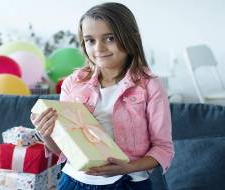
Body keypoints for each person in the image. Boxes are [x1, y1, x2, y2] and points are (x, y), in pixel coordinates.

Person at [31, 2, 174, 190]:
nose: (98, 48)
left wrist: (128, 167)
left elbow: (163, 149)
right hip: (73, 182)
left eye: (109, 38)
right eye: (90, 40)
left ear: (131, 39)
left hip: (128, 183)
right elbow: (66, 151)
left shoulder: (150, 86)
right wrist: (46, 134)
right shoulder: (73, 84)